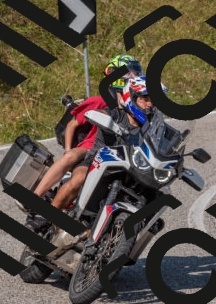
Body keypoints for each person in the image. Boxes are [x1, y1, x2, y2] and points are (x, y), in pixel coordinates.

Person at [28, 76, 167, 232]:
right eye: (145, 99)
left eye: (153, 101)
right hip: (96, 163)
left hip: (127, 173)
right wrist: (100, 116)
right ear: (132, 97)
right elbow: (99, 113)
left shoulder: (151, 129)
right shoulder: (116, 114)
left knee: (154, 198)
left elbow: (163, 147)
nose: (150, 104)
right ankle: (45, 217)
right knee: (80, 178)